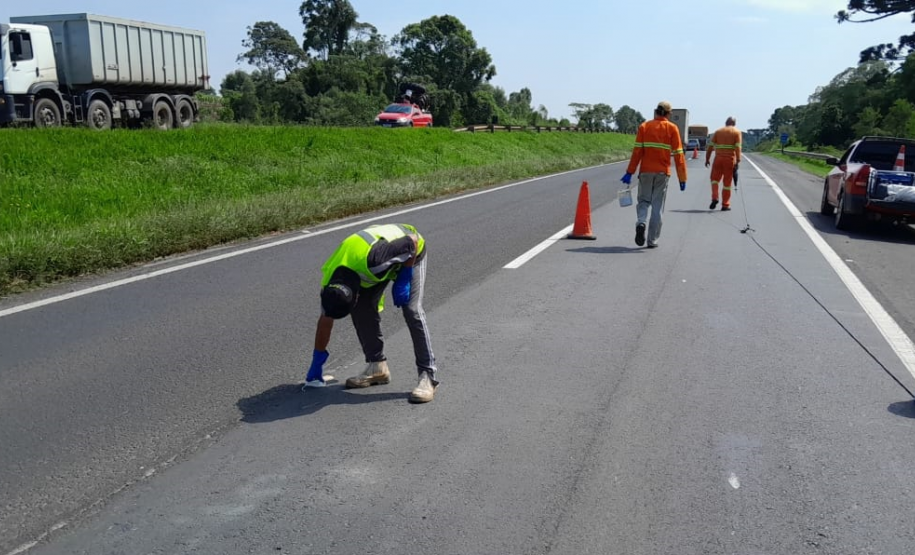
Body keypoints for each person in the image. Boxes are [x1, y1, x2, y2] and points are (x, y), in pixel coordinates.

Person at [303, 223, 438, 404]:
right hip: (379, 260)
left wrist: (404, 276)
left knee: (411, 310)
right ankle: (377, 367)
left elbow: (412, 242)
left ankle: (427, 376)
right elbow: (326, 319)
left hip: (411, 249)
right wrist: (317, 361)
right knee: (363, 310)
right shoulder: (330, 283)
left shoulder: (375, 259)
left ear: (356, 295)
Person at [620, 101, 688, 249]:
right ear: (668, 114)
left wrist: (629, 172)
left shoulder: (645, 127)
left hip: (645, 172)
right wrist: (682, 178)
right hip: (662, 173)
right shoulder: (672, 128)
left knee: (644, 201)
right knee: (657, 206)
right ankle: (652, 240)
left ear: (656, 112)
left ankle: (641, 222)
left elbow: (637, 152)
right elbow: (679, 155)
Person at [705, 117, 742, 211]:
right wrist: (738, 160)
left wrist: (707, 159)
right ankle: (725, 205)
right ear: (734, 123)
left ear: (726, 123)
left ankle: (715, 197)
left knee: (714, 180)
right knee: (727, 183)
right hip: (729, 160)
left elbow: (710, 146)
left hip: (718, 159)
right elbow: (738, 148)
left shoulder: (718, 131)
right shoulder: (737, 132)